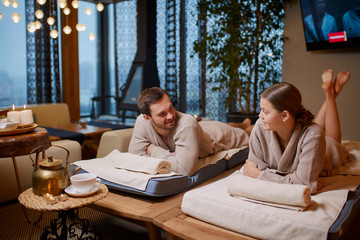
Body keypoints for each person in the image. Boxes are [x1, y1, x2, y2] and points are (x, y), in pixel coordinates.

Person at [243, 69, 351, 193]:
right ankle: (331, 91)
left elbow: (304, 184)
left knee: (330, 139)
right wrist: (289, 177)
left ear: (284, 116)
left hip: (327, 152)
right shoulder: (260, 126)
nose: (259, 115)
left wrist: (259, 175)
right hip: (309, 138)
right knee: (314, 129)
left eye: (265, 111)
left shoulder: (313, 135)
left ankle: (330, 95)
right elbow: (251, 166)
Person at [128, 87, 252, 176]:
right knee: (224, 125)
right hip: (198, 130)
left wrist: (153, 150)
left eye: (171, 107)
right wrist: (173, 156)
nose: (171, 116)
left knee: (246, 135)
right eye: (162, 114)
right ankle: (244, 124)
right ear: (147, 117)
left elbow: (185, 170)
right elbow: (134, 156)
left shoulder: (186, 125)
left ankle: (247, 126)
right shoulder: (141, 122)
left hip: (215, 137)